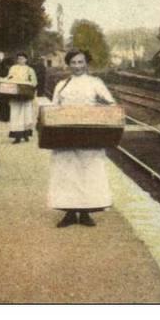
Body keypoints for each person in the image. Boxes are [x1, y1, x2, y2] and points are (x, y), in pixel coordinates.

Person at [48, 49, 116, 228]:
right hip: (66, 134)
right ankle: (69, 213)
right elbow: (53, 108)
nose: (77, 66)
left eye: (81, 62)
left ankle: (86, 212)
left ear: (86, 63)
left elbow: (111, 104)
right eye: (74, 63)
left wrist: (95, 112)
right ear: (68, 64)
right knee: (67, 172)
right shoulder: (62, 84)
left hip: (89, 134)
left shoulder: (95, 83)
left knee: (88, 171)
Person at [5, 52, 38, 144]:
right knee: (15, 115)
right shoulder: (13, 68)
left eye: (22, 58)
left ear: (26, 59)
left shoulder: (30, 70)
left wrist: (28, 85)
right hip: (15, 94)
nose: (21, 60)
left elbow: (34, 82)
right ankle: (17, 136)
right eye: (19, 58)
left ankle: (26, 134)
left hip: (25, 93)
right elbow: (8, 78)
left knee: (26, 115)